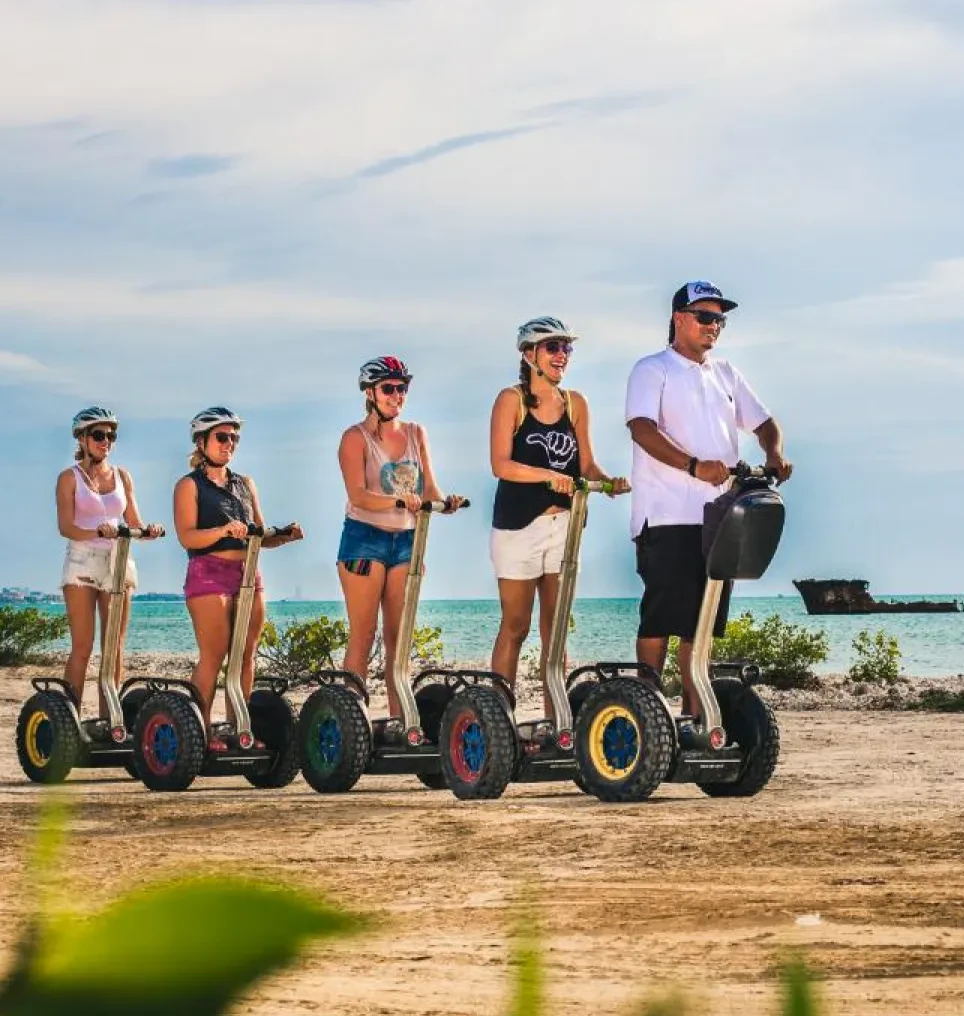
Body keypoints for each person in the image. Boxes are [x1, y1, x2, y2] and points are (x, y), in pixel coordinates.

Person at [624, 281, 792, 713]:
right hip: (666, 514)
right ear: (679, 318)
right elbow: (641, 428)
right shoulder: (653, 368)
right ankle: (648, 705)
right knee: (663, 615)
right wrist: (692, 465)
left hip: (719, 517)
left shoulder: (727, 373)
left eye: (720, 319)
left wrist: (774, 453)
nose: (713, 326)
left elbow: (765, 423)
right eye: (705, 317)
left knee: (703, 623)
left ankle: (695, 714)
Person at [487, 317, 625, 719]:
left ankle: (556, 722)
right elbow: (501, 465)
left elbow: (586, 465)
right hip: (518, 526)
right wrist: (550, 477)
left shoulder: (575, 403)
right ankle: (499, 718)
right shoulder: (510, 400)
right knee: (515, 625)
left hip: (564, 525)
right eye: (553, 347)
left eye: (566, 347)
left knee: (557, 628)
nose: (562, 355)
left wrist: (607, 482)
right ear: (530, 354)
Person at [336, 357, 464, 716]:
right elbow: (358, 495)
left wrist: (446, 502)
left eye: (402, 388)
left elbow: (429, 490)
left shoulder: (416, 433)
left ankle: (399, 719)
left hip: (407, 540)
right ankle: (352, 719)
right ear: (370, 392)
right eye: (389, 388)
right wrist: (397, 499)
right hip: (364, 538)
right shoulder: (354, 438)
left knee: (399, 637)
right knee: (363, 634)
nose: (397, 395)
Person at [173, 407, 301, 747]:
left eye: (234, 438)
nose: (229, 443)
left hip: (248, 572)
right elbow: (187, 537)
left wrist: (284, 535)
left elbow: (258, 532)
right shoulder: (189, 486)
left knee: (247, 654)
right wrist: (223, 530)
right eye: (222, 437)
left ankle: (238, 727)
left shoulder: (245, 484)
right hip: (208, 573)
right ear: (201, 442)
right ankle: (198, 731)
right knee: (213, 655)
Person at [54, 406, 147, 719]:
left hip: (118, 560)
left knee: (114, 647)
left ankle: (112, 720)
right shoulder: (69, 478)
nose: (106, 440)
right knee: (83, 646)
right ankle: (70, 720)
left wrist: (149, 530)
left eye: (111, 435)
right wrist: (96, 530)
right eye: (98, 434)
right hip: (83, 561)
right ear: (82, 438)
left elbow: (133, 521)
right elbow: (66, 526)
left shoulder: (123, 476)